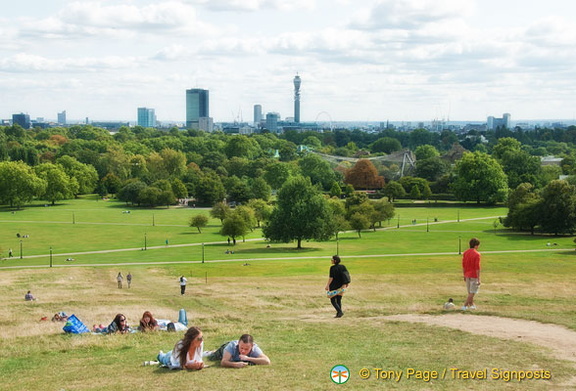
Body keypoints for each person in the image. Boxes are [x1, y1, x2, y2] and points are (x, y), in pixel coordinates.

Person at [462, 238, 481, 310]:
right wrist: (479, 278)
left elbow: (463, 265)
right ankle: (465, 306)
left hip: (467, 274)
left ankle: (472, 305)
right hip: (474, 275)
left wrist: (464, 274)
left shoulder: (465, 253)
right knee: (472, 292)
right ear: (476, 246)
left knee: (470, 291)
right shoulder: (477, 254)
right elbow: (477, 267)